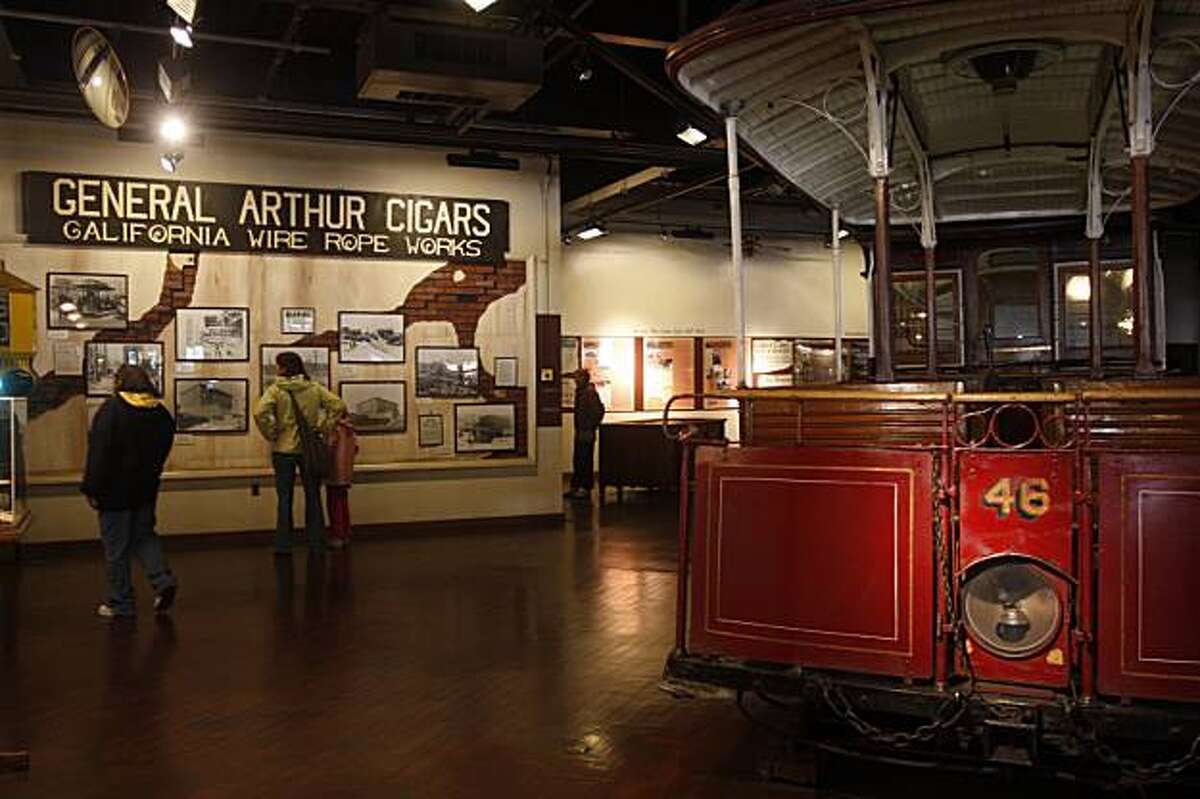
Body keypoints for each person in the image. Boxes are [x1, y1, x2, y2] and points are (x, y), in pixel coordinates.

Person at [81, 364, 178, 619]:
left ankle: (121, 602)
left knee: (117, 550)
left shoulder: (112, 410)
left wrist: (91, 488)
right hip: (145, 488)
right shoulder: (160, 412)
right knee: (145, 537)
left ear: (119, 383)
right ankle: (162, 580)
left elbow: (99, 453)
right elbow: (164, 447)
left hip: (114, 493)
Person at [253, 351, 346, 554]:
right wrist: (323, 425)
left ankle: (284, 544)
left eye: (278, 366)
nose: (277, 369)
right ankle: (315, 542)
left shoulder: (276, 390)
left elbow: (260, 412)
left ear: (284, 368)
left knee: (284, 498)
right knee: (313, 496)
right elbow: (338, 405)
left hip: (283, 450)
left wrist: (272, 432)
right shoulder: (313, 388)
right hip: (308, 450)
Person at [565, 368, 605, 500]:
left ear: (583, 378)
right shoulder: (582, 392)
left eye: (577, 378)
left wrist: (590, 426)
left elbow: (598, 411)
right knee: (578, 459)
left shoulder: (589, 393)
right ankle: (577, 486)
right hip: (581, 431)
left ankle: (584, 488)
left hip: (586, 432)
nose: (575, 381)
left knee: (584, 460)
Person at [325, 410, 358, 549]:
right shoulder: (351, 430)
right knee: (343, 503)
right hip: (346, 473)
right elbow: (356, 449)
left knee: (334, 505)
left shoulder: (335, 429)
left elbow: (329, 447)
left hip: (334, 472)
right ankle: (345, 532)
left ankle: (337, 535)